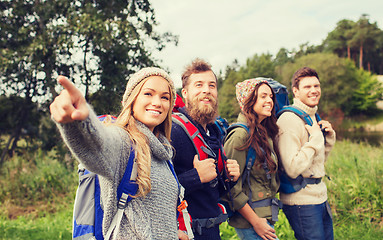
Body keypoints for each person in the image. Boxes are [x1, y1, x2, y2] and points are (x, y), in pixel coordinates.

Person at [50, 67, 188, 240]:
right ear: (131, 99)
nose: (157, 103)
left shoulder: (164, 152)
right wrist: (79, 123)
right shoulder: (124, 142)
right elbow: (100, 144)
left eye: (165, 97)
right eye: (148, 94)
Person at [171, 58, 240, 240]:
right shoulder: (174, 131)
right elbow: (153, 189)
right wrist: (196, 177)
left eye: (212, 85)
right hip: (184, 233)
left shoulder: (214, 130)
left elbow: (214, 189)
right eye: (199, 85)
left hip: (211, 230)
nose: (206, 91)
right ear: (185, 93)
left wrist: (229, 176)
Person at [277, 67, 336, 240]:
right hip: (301, 201)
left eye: (316, 86)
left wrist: (328, 138)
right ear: (295, 91)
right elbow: (292, 168)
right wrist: (316, 140)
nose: (314, 90)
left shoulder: (312, 116)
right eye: (307, 87)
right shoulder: (289, 121)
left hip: (319, 196)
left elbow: (317, 162)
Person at [223, 79, 281, 240]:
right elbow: (230, 187)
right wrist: (256, 222)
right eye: (263, 96)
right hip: (251, 221)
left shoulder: (261, 132)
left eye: (270, 96)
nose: (269, 100)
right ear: (249, 100)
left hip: (264, 216)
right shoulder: (240, 136)